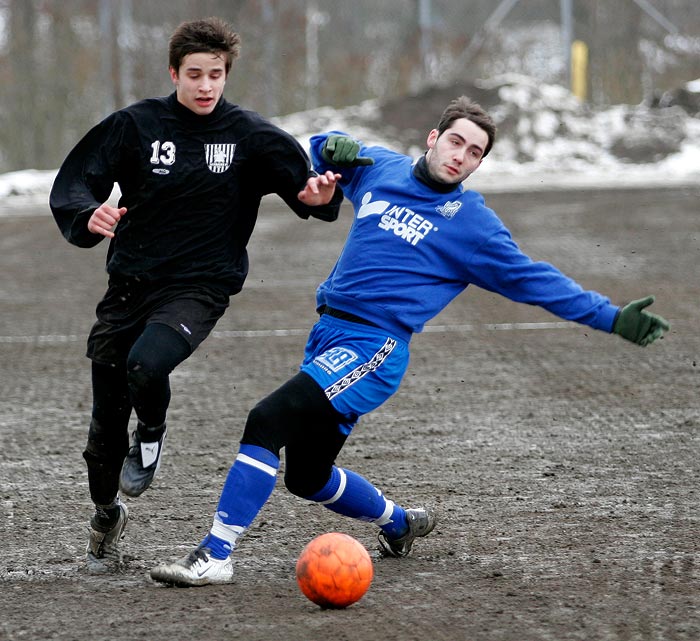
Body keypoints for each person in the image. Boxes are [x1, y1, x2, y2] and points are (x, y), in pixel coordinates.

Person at [150, 96, 670, 587]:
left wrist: (611, 317)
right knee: (307, 477)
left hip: (374, 347)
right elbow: (313, 151)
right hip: (329, 334)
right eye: (456, 142)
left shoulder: (474, 227)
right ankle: (400, 522)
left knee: (267, 419)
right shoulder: (383, 168)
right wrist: (330, 146)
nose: (461, 157)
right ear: (433, 138)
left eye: (474, 153)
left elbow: (536, 281)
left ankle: (214, 557)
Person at [49, 17, 342, 574]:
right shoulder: (135, 126)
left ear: (226, 75)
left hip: (200, 287)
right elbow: (75, 182)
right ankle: (106, 514)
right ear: (173, 73)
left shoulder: (250, 135)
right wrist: (93, 213)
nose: (206, 86)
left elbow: (305, 187)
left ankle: (153, 434)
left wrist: (317, 194)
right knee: (102, 433)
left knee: (146, 362)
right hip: (129, 286)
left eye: (216, 75)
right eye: (194, 75)